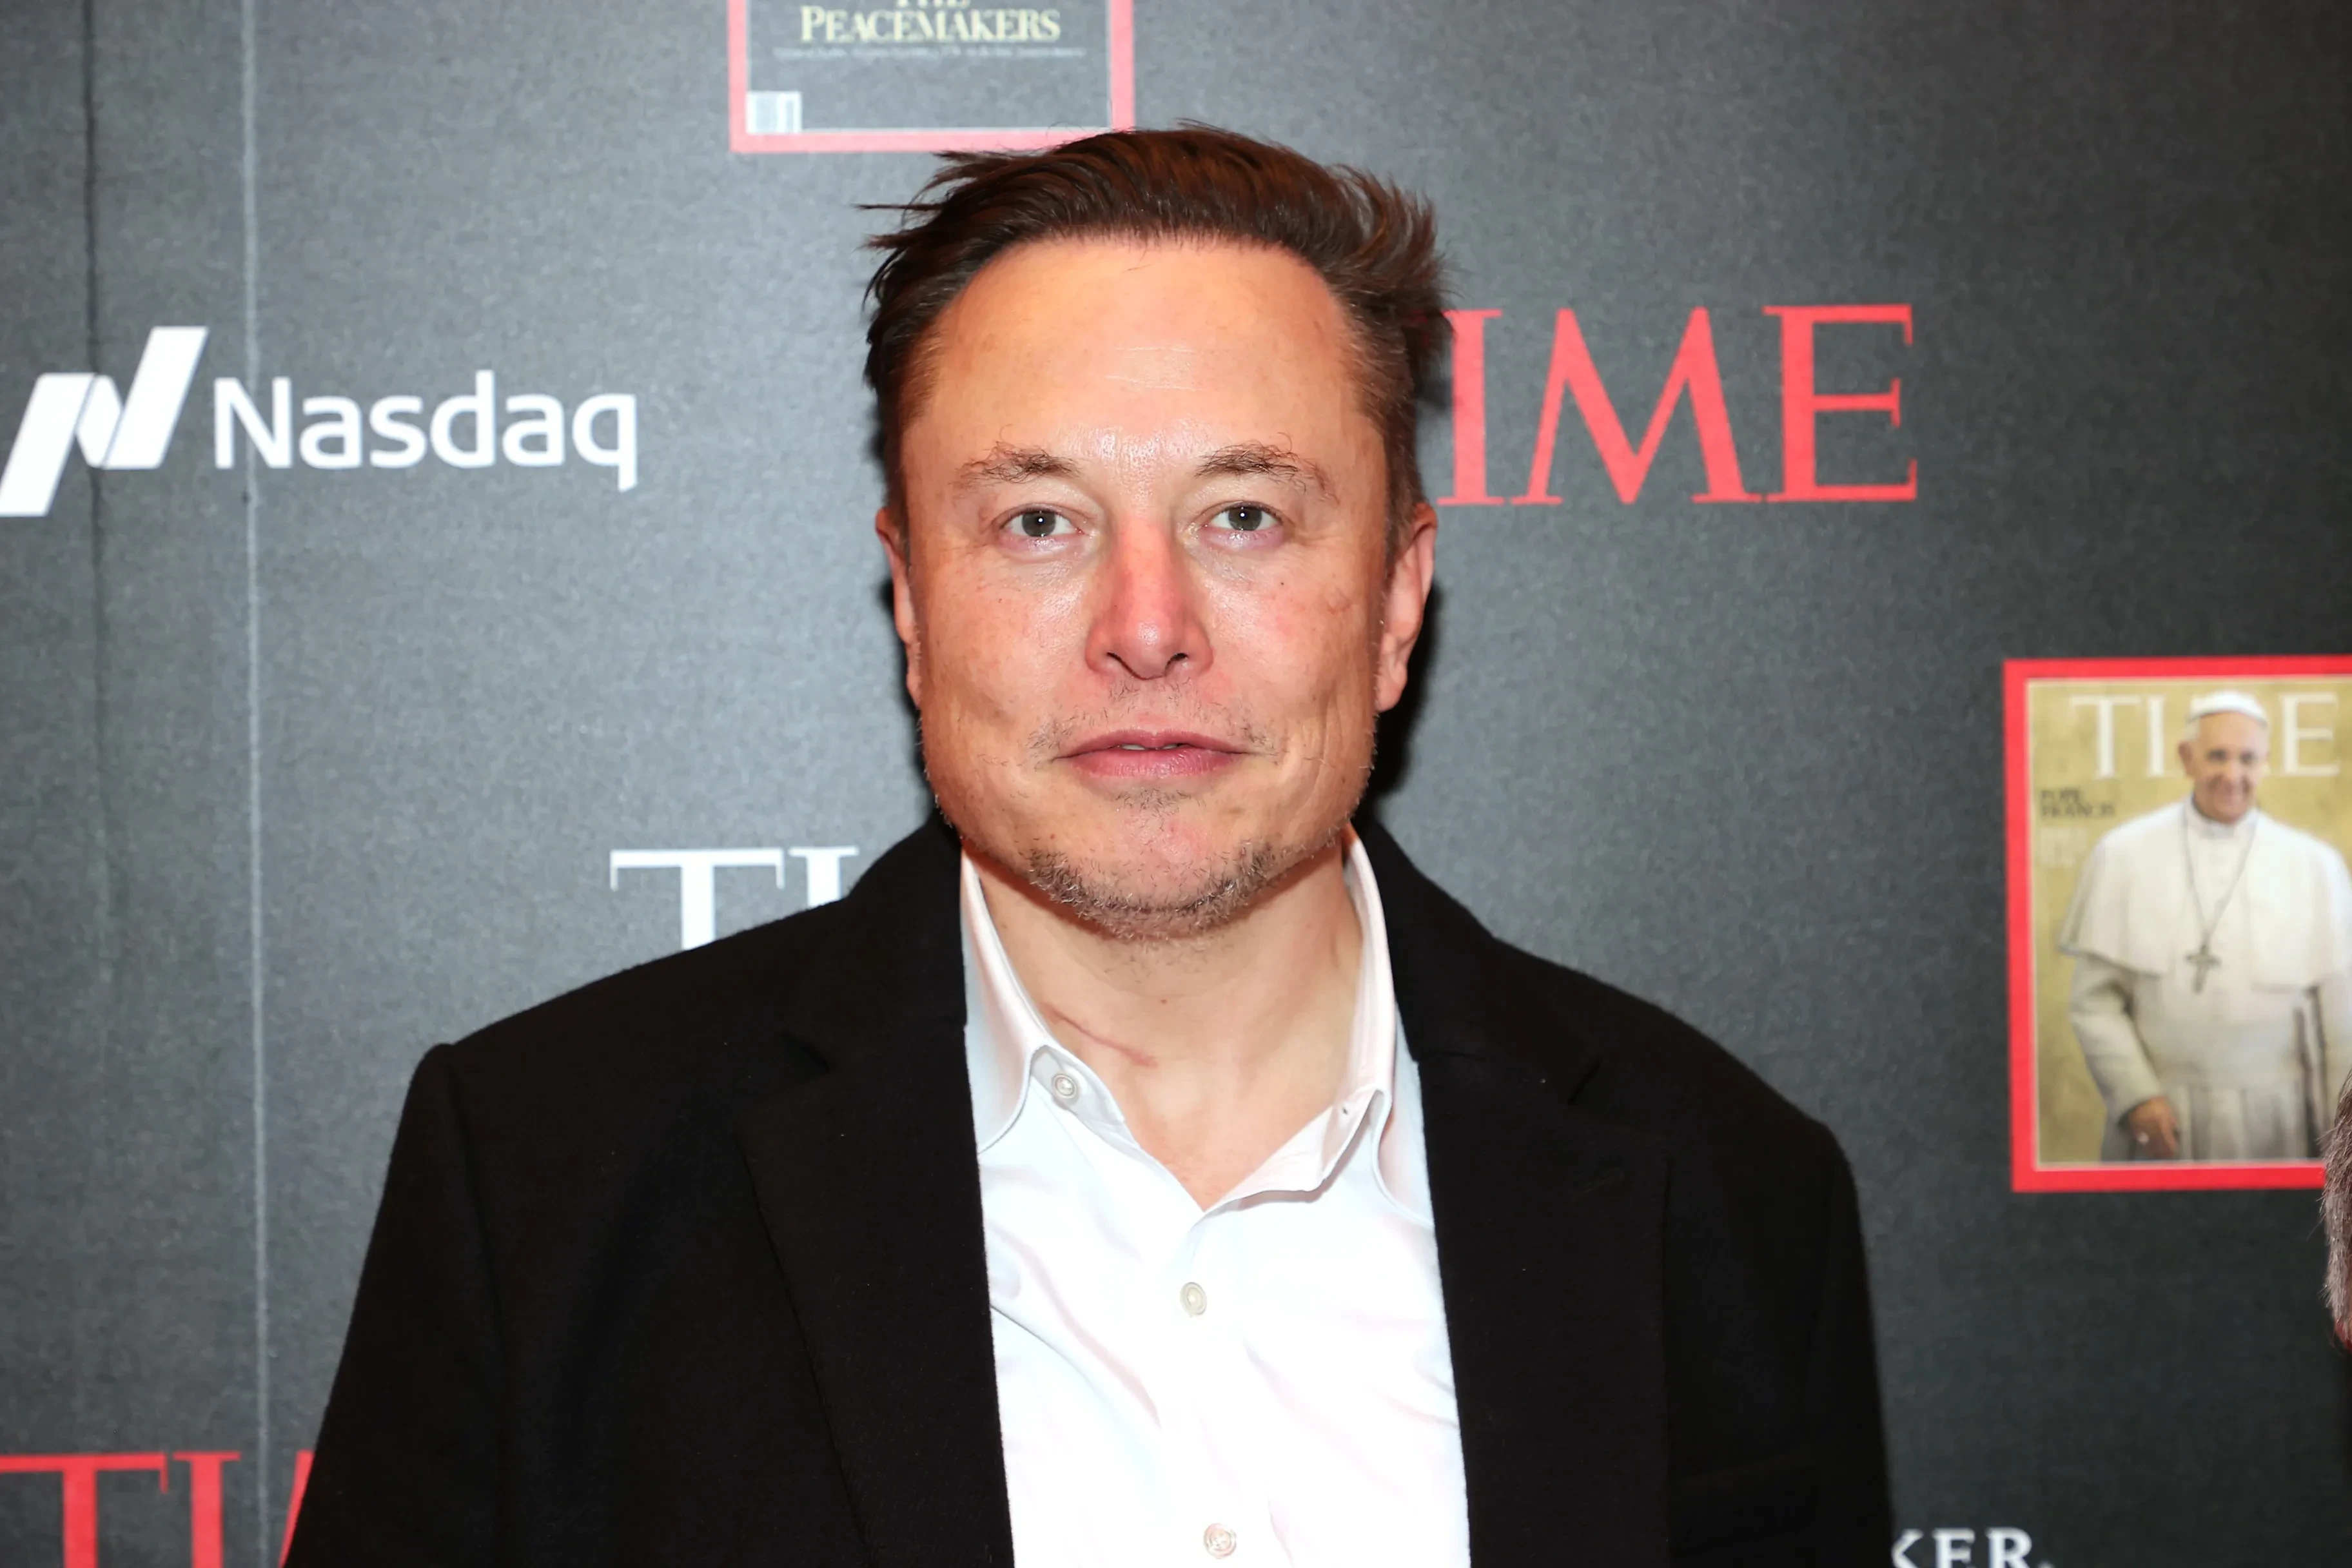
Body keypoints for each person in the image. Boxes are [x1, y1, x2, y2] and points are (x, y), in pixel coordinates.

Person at [286, 127, 1889, 1568]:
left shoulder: (1729, 1193)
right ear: (914, 603)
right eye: (1039, 521)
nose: (1146, 626)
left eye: (1244, 514)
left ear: (1399, 601)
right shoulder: (547, 1183)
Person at [2059, 691, 2352, 1161]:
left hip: (2280, 1120)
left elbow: (2342, 1022)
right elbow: (2094, 1002)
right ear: (2187, 757)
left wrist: (2341, 1140)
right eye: (2217, 756)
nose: (2232, 775)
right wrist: (2137, 1095)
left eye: (2247, 759)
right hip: (2165, 1113)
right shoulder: (2123, 855)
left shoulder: (2316, 867)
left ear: (2265, 763)